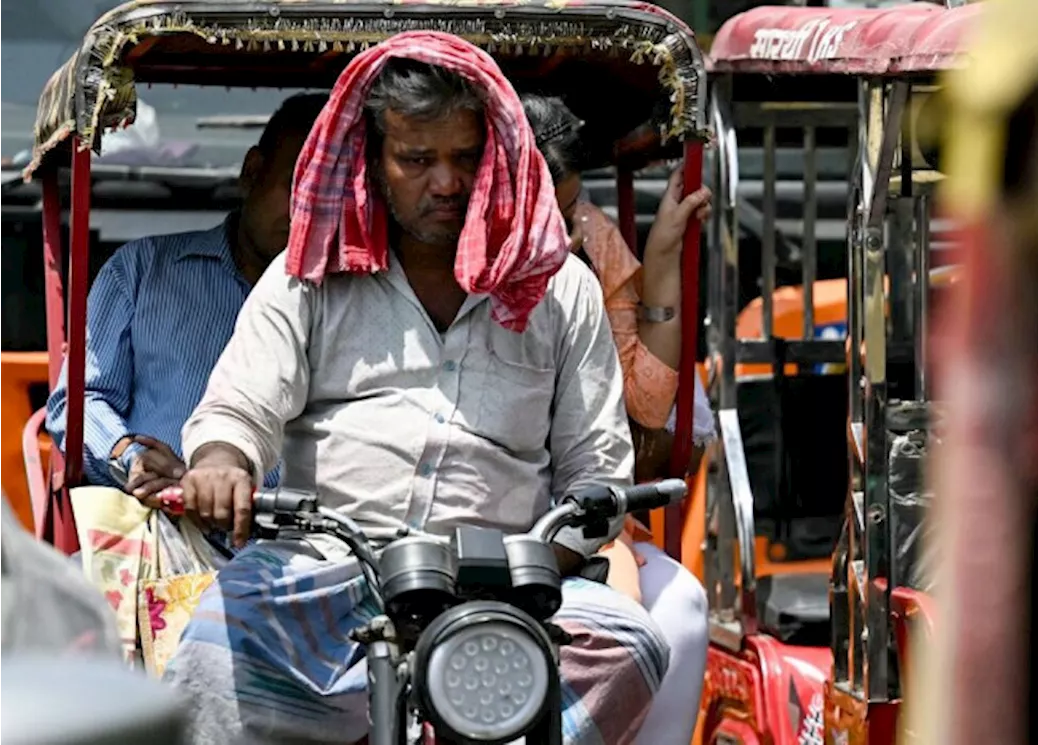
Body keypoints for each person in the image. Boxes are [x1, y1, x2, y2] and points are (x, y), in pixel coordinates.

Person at [165, 33, 668, 745]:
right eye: (417, 159)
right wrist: (221, 460)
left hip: (505, 592)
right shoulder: (307, 273)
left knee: (634, 644)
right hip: (327, 571)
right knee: (213, 648)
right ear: (374, 162)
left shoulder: (563, 291)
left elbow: (596, 471)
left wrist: (528, 567)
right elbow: (239, 407)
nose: (446, 183)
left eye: (466, 158)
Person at [521, 92, 714, 745]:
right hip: (477, 517)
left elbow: (649, 406)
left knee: (679, 606)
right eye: (549, 208)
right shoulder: (450, 264)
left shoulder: (590, 244)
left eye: (571, 205)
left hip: (578, 515)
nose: (565, 224)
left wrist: (659, 261)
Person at [46, 93, 329, 501]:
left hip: (309, 538)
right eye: (297, 188)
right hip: (159, 521)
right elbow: (80, 402)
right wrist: (130, 456)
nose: (308, 214)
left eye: (331, 198)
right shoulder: (143, 269)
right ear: (252, 172)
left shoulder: (356, 295)